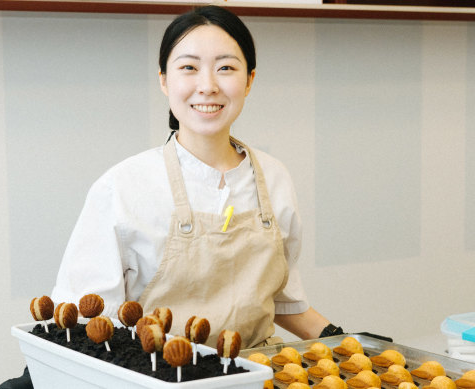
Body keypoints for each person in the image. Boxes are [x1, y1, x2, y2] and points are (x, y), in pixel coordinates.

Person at [51, 5, 341, 348]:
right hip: (156, 376)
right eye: (189, 67)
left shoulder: (275, 178)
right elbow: (89, 328)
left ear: (249, 81)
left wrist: (343, 339)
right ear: (163, 79)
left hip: (255, 373)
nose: (208, 85)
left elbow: (280, 298)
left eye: (226, 68)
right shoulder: (122, 187)